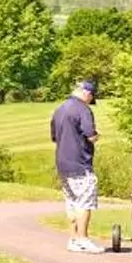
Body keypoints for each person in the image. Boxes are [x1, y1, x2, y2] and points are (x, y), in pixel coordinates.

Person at [50, 77, 102, 252]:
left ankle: (73, 238)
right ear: (87, 93)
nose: (90, 101)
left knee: (72, 201)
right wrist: (97, 136)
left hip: (62, 163)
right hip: (80, 162)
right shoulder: (83, 110)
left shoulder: (60, 109)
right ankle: (83, 239)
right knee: (85, 201)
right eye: (91, 97)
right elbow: (90, 135)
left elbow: (54, 136)